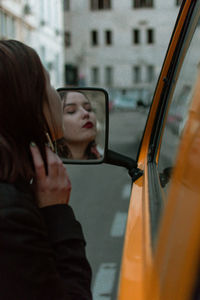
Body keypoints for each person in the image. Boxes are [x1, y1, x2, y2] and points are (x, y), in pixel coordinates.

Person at [0, 40, 92, 300]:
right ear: (28, 102)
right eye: (49, 84)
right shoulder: (10, 215)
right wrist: (56, 212)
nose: (57, 94)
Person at [57, 91, 101, 160]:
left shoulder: (102, 157)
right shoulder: (48, 164)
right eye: (71, 111)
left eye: (88, 109)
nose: (86, 113)